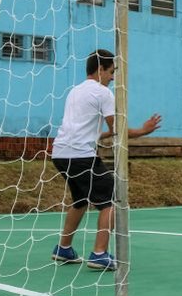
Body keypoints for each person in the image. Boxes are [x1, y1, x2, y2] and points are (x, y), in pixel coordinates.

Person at [51, 49, 162, 270]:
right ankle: (99, 254)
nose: (112, 77)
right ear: (100, 69)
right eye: (111, 72)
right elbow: (117, 129)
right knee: (112, 198)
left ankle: (64, 249)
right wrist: (143, 130)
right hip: (80, 155)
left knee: (81, 200)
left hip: (61, 154)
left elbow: (92, 131)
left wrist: (105, 134)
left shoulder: (75, 91)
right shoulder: (103, 93)